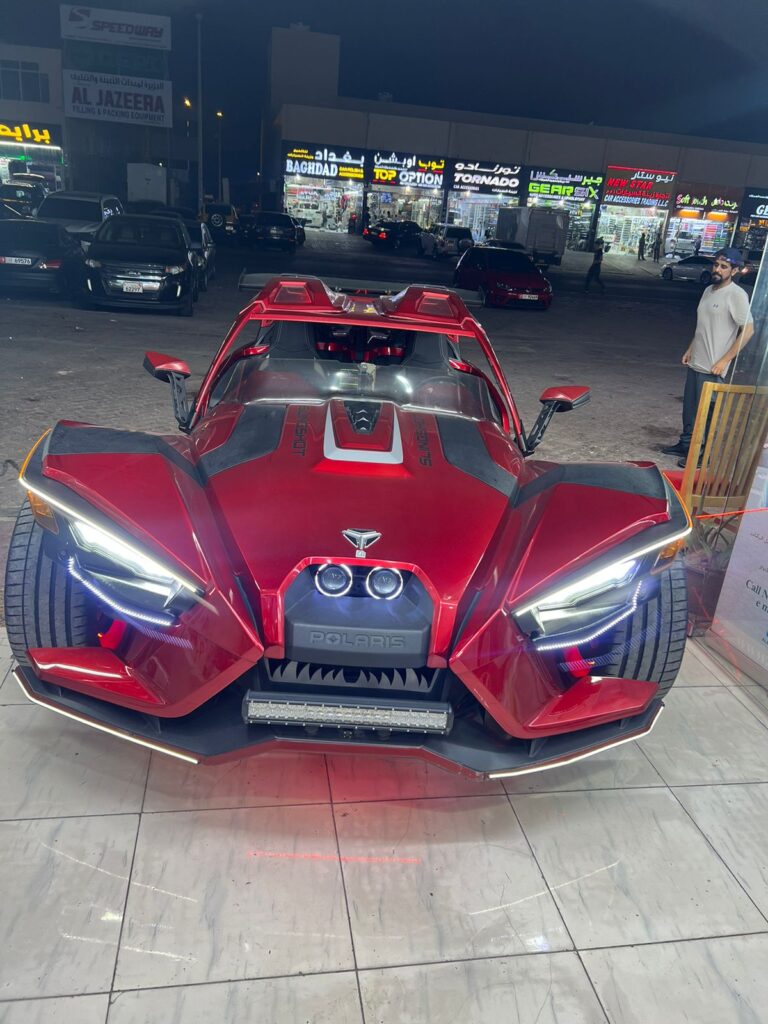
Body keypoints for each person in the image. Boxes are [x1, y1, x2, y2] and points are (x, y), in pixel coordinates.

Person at [662, 247, 754, 465]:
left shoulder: (737, 295)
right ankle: (686, 444)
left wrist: (724, 360)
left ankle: (702, 454)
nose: (718, 269)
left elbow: (748, 330)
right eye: (716, 265)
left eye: (724, 267)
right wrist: (691, 348)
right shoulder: (708, 291)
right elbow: (703, 326)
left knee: (708, 414)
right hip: (697, 362)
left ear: (734, 270)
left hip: (714, 367)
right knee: (690, 410)